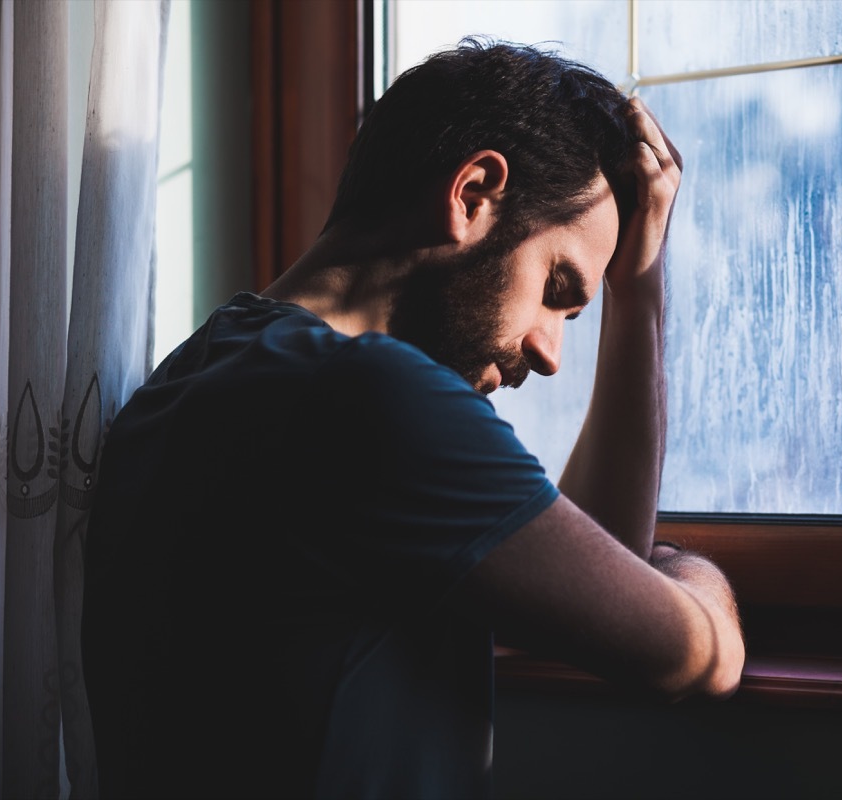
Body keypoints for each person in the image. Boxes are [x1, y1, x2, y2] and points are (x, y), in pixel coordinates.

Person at [81, 38, 744, 799]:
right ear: (472, 195)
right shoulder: (373, 398)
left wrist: (635, 290)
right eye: (556, 285)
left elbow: (596, 582)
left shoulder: (191, 379)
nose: (551, 352)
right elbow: (692, 655)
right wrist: (695, 572)